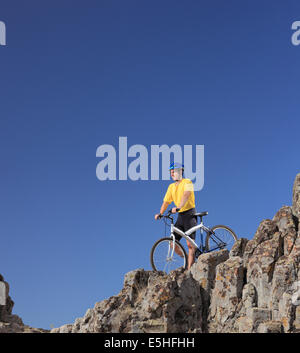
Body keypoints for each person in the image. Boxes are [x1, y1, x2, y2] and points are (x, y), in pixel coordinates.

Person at [154, 162, 197, 270]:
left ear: (180, 172)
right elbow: (166, 201)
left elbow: (186, 195)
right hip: (181, 216)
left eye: (174, 172)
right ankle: (187, 258)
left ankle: (189, 270)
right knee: (173, 244)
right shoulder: (171, 187)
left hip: (189, 214)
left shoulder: (187, 182)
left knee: (190, 244)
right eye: (171, 172)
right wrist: (160, 213)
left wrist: (179, 206)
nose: (172, 174)